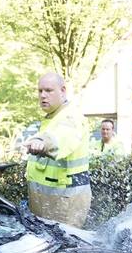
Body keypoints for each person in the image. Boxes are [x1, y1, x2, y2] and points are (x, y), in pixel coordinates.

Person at [24, 73, 91, 226]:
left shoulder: (71, 116)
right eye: (40, 91)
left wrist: (43, 142)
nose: (43, 95)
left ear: (63, 91)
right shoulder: (51, 118)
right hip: (50, 204)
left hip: (65, 205)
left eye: (48, 90)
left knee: (66, 241)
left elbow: (62, 137)